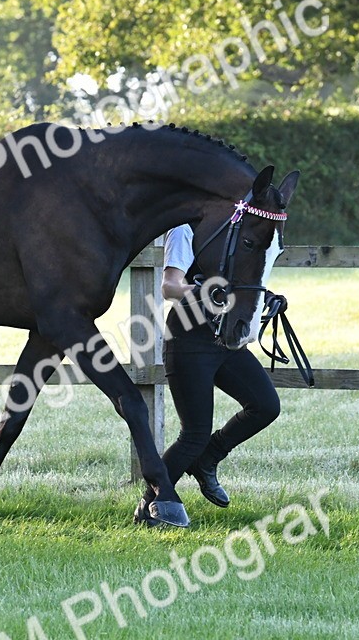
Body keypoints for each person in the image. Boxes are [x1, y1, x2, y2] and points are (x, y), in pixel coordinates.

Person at [135, 223, 282, 526]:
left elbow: (239, 282)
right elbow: (170, 287)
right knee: (194, 434)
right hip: (189, 339)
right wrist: (207, 292)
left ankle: (208, 458)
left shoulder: (235, 228)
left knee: (266, 406)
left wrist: (264, 296)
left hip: (225, 338)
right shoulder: (185, 228)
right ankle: (149, 507)